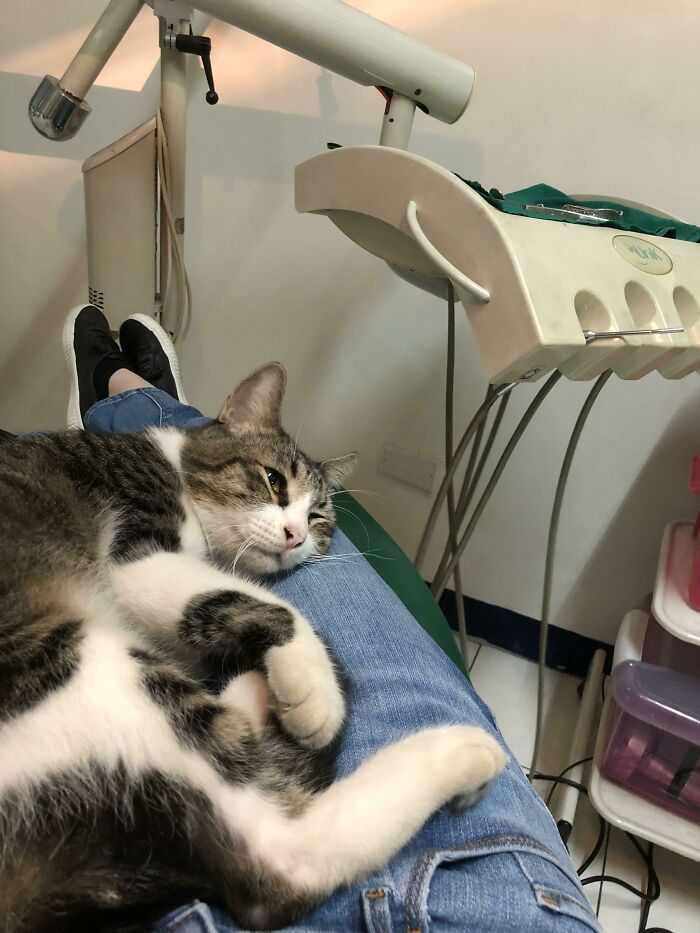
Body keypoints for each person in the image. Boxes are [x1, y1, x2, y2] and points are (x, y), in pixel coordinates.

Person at [4, 307, 602, 932]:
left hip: (47, 794)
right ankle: (281, 853)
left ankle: (119, 390)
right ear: (234, 420)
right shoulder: (145, 474)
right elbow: (137, 574)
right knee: (98, 653)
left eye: (316, 520)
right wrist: (280, 624)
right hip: (25, 608)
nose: (294, 531)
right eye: (274, 484)